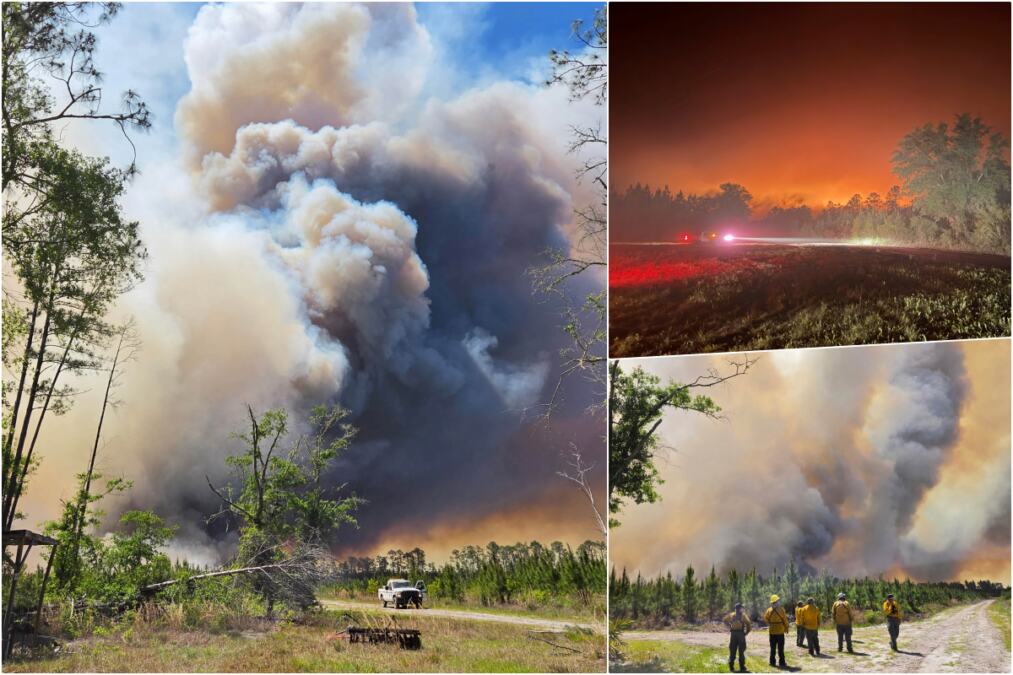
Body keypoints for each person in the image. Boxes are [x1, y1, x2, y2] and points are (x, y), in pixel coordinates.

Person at [723, 602, 752, 672]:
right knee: (741, 650)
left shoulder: (732, 615)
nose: (742, 609)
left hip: (733, 634)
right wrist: (746, 632)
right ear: (739, 609)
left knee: (732, 650)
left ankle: (731, 666)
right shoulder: (743, 615)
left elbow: (724, 620)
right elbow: (748, 624)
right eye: (741, 608)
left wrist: (729, 626)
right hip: (741, 634)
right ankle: (742, 667)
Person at [763, 594, 789, 669]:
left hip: (772, 632)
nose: (778, 602)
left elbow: (765, 618)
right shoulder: (781, 609)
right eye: (778, 601)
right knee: (781, 648)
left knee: (773, 648)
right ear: (776, 601)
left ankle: (772, 662)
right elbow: (785, 619)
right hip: (780, 631)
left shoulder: (769, 610)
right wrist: (786, 627)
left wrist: (770, 623)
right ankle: (782, 662)